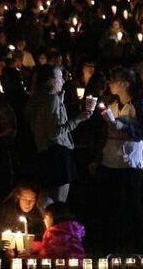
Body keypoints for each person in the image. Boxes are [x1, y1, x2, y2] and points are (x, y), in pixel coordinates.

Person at [94, 66, 143, 253]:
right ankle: (109, 246)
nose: (110, 83)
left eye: (114, 79)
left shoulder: (139, 105)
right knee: (111, 205)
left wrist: (119, 125)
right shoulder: (112, 103)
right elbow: (104, 133)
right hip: (110, 160)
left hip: (130, 163)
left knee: (134, 205)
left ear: (125, 83)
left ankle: (140, 247)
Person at [25, 65, 93, 205]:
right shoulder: (51, 100)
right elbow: (55, 132)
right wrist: (78, 119)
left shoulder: (39, 100)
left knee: (46, 201)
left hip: (44, 154)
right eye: (59, 77)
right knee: (58, 205)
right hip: (57, 155)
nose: (63, 80)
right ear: (50, 81)